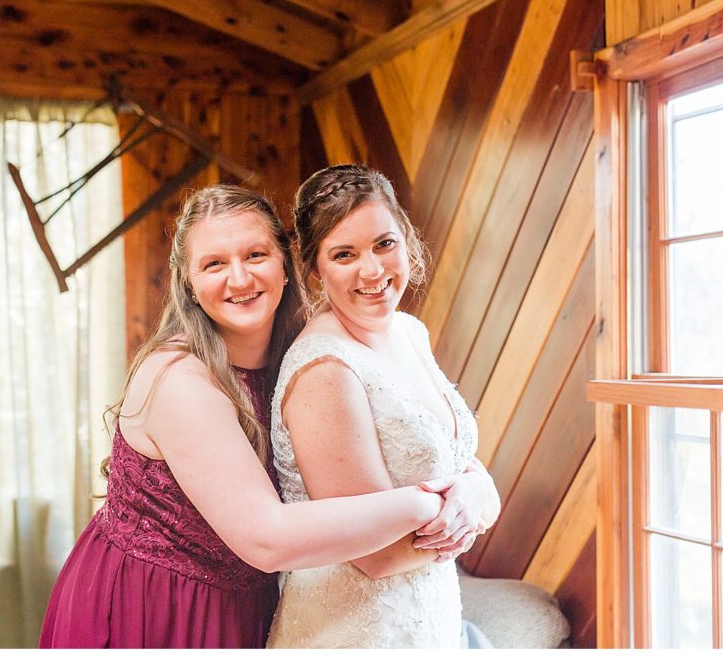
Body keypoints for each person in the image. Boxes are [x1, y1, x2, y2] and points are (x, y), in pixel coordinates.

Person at [38, 185, 472, 649]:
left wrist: (473, 484)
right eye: (214, 264)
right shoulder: (180, 380)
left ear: (286, 265)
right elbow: (267, 539)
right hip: (151, 603)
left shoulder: (300, 352)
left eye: (256, 254)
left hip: (248, 604)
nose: (240, 278)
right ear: (188, 283)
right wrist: (432, 503)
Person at [266, 165, 502, 648]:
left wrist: (478, 490)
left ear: (407, 240)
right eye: (344, 254)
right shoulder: (324, 369)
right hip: (357, 628)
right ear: (315, 268)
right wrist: (471, 518)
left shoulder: (410, 332)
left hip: (430, 615)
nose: (371, 270)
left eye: (384, 244)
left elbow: (451, 455)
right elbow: (375, 555)